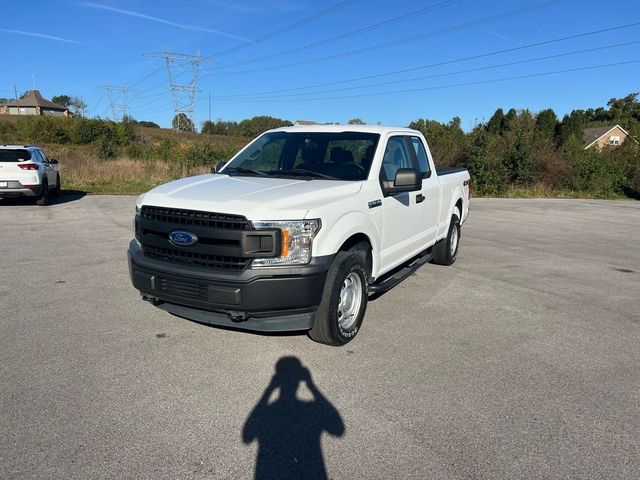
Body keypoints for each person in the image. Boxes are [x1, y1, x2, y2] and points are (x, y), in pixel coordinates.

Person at [243, 357, 344, 479]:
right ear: (299, 381)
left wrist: (269, 389)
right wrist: (311, 386)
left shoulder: (269, 410)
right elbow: (338, 429)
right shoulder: (310, 409)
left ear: (278, 381)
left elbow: (247, 436)